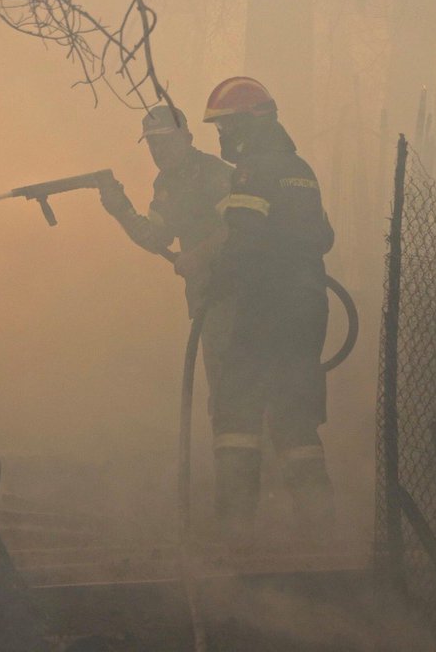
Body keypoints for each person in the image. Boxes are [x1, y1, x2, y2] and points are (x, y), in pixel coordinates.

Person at [202, 76, 335, 543]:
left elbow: (243, 240)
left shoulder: (251, 170)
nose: (220, 138)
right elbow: (324, 238)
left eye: (224, 127)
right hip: (310, 307)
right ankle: (319, 526)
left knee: (236, 412)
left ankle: (235, 529)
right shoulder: (301, 169)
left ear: (247, 124)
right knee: (294, 414)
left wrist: (212, 284)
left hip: (267, 306)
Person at [98, 103, 235, 393]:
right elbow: (155, 239)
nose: (159, 150)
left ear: (187, 138)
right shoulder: (167, 184)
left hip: (242, 296)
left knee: (243, 393)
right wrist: (120, 209)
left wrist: (199, 255)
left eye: (166, 141)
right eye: (153, 143)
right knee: (225, 393)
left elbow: (241, 228)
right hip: (210, 299)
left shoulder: (214, 174)